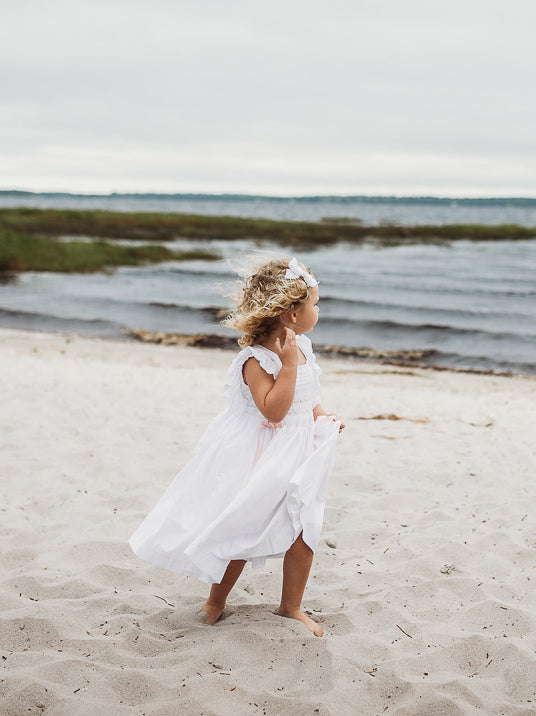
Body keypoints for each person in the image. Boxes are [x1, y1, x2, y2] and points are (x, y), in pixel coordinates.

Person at [129, 257, 344, 637]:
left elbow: (308, 396)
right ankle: (215, 602)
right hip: (266, 455)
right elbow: (274, 411)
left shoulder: (303, 348)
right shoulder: (257, 360)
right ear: (293, 314)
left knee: (305, 528)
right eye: (315, 303)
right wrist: (288, 366)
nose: (319, 310)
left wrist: (324, 416)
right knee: (244, 527)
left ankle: (291, 606)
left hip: (302, 451)